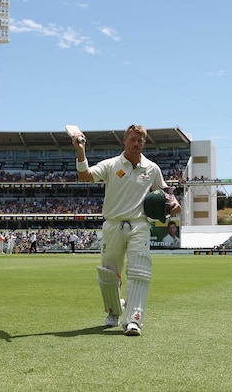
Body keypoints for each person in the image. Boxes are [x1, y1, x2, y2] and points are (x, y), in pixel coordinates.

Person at [73, 124, 180, 336]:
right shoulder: (112, 165)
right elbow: (85, 176)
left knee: (139, 271)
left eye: (140, 140)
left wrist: (174, 204)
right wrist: (80, 150)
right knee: (109, 273)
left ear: (144, 143)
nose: (136, 143)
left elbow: (166, 194)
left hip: (139, 224)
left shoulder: (151, 168)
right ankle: (113, 311)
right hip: (113, 223)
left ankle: (134, 320)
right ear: (124, 141)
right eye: (132, 139)